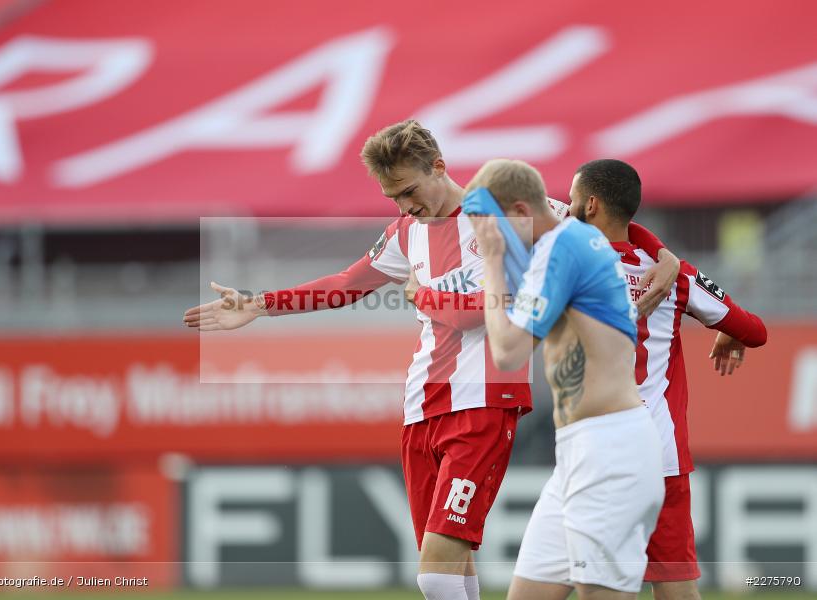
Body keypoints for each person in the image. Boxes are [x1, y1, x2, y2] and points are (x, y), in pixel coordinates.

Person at [183, 120, 675, 600]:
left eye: (408, 191)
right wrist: (260, 303)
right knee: (450, 575)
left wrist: (664, 256)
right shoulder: (404, 232)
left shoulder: (506, 208)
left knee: (436, 576)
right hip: (422, 406)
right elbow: (346, 285)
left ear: (439, 166)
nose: (404, 205)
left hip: (484, 401)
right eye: (392, 197)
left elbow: (605, 222)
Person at [567, 159, 768, 600]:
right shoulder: (674, 276)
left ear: (592, 204)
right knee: (675, 583)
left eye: (573, 198)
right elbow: (757, 331)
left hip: (600, 448)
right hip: (662, 455)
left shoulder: (566, 259)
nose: (567, 205)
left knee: (596, 583)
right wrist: (727, 328)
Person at [467, 158, 665, 600]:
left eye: (486, 225)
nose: (482, 239)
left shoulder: (563, 245)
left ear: (519, 211)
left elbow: (509, 351)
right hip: (581, 451)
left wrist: (494, 262)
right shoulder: (572, 241)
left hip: (609, 453)